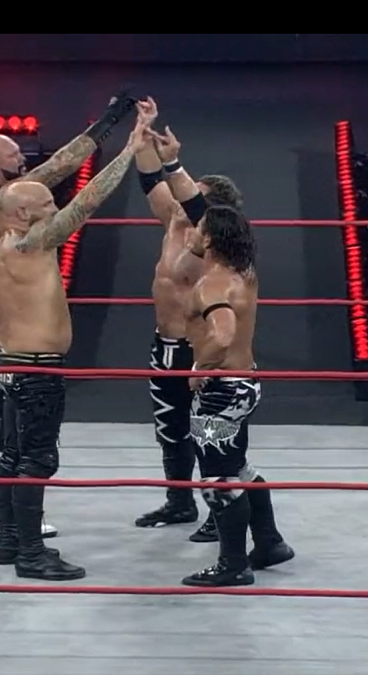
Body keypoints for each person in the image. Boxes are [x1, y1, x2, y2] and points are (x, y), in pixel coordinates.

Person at [0, 89, 139, 537]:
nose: (24, 160)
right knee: (8, 416)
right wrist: (112, 123)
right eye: (14, 155)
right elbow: (68, 172)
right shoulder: (8, 203)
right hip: (14, 322)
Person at [0, 102, 155, 580]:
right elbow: (87, 201)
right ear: (22, 212)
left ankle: (12, 543)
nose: (53, 209)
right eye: (45, 205)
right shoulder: (31, 242)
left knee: (13, 456)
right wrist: (131, 148)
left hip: (12, 364)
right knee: (37, 458)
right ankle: (32, 554)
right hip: (36, 368)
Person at [169, 195, 293, 587]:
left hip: (220, 390)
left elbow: (222, 336)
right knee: (237, 467)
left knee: (217, 478)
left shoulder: (212, 284)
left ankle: (232, 564)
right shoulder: (244, 273)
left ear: (210, 240)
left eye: (198, 229)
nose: (192, 232)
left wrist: (199, 369)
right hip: (245, 383)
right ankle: (270, 542)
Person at [130, 119, 243, 544]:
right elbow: (150, 181)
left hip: (199, 349)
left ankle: (220, 512)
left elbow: (194, 204)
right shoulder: (173, 221)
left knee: (208, 434)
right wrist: (142, 136)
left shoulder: (212, 240)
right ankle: (179, 501)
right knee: (170, 429)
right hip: (164, 345)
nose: (179, 196)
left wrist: (175, 163)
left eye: (191, 193)